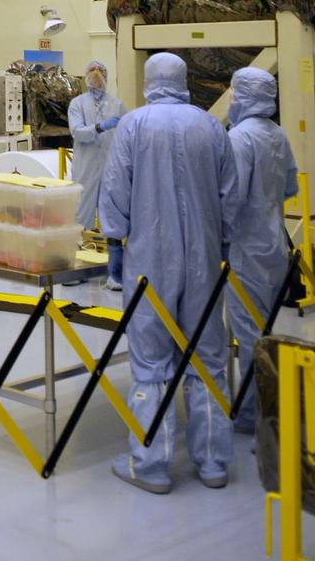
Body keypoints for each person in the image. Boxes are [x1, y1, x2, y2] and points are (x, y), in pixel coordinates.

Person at [99, 52, 240, 494]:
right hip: (203, 260)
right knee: (207, 356)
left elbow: (116, 188)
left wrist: (115, 240)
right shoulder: (210, 127)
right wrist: (221, 239)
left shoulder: (134, 125)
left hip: (149, 260)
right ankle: (214, 462)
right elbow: (230, 194)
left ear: (148, 80)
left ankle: (151, 464)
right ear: (183, 80)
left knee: (151, 360)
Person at [226, 67, 298, 435]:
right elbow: (288, 186)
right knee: (267, 329)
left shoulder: (239, 138)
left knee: (248, 334)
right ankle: (274, 404)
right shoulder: (278, 135)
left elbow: (230, 198)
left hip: (245, 250)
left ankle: (255, 414)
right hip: (273, 245)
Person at [67, 60, 126, 289]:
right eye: (91, 70)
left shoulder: (117, 105)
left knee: (112, 220)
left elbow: (125, 133)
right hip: (86, 168)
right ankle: (75, 270)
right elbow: (77, 132)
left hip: (111, 169)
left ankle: (115, 275)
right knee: (80, 219)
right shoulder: (77, 104)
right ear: (85, 75)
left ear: (107, 76)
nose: (96, 74)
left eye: (101, 70)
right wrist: (100, 127)